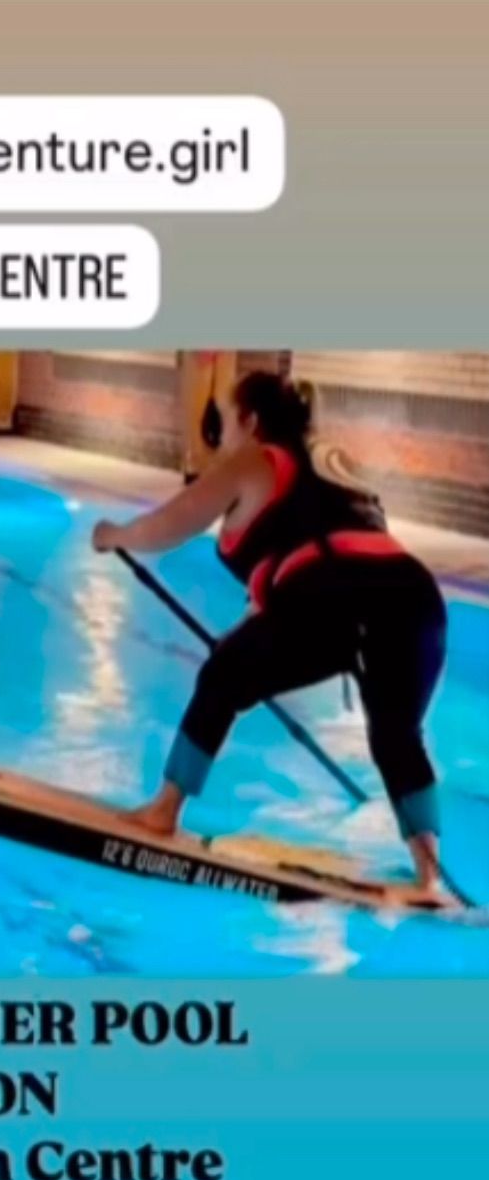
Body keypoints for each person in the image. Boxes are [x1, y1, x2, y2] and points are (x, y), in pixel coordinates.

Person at [92, 371, 449, 896]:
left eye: (224, 419)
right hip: (416, 603)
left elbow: (172, 523)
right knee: (396, 735)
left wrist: (114, 535)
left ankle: (163, 812)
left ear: (251, 421)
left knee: (223, 674)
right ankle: (430, 874)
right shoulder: (329, 464)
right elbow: (317, 557)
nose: (220, 436)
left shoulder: (253, 459)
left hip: (341, 601)